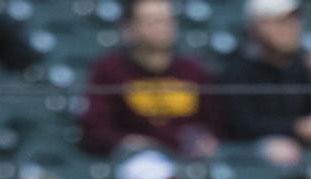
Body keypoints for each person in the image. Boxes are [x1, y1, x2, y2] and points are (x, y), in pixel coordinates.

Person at [79, 0, 218, 157]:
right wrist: (124, 142)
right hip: (133, 162)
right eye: (152, 21)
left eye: (166, 20)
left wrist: (208, 140)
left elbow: (214, 122)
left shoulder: (193, 69)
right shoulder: (110, 70)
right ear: (129, 27)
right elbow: (96, 128)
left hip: (188, 157)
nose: (161, 28)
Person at [216, 0, 311, 164]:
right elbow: (242, 124)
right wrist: (297, 127)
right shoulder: (238, 68)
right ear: (258, 26)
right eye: (281, 22)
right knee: (281, 151)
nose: (291, 28)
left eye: (294, 20)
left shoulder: (303, 64)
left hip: (302, 145)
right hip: (249, 153)